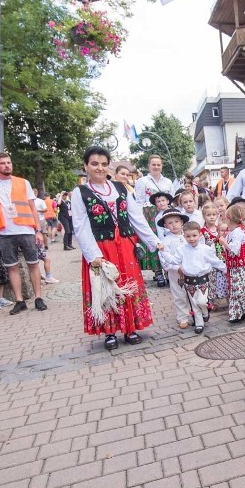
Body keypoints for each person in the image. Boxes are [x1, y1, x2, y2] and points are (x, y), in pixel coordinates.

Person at [72, 146, 162, 350]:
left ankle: (130, 328)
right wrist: (92, 255)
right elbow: (80, 225)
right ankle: (110, 332)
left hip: (125, 245)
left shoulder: (120, 189)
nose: (99, 168)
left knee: (129, 283)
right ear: (86, 166)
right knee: (105, 286)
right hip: (100, 247)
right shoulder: (80, 192)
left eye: (104, 164)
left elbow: (136, 217)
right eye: (94, 164)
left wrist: (152, 241)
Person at [0, 152, 48, 315]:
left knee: (33, 263)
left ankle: (38, 298)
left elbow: (33, 208)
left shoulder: (23, 183)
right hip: (4, 231)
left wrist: (38, 231)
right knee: (12, 267)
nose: (7, 166)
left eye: (9, 163)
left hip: (25, 229)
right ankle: (20, 301)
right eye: (3, 163)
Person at [164, 221, 227, 334]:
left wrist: (226, 269)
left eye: (194, 235)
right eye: (188, 236)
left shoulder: (205, 249)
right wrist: (163, 252)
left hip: (203, 279)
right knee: (194, 303)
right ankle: (199, 323)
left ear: (200, 235)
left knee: (201, 301)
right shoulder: (181, 249)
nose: (191, 239)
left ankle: (205, 312)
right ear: (184, 236)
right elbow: (174, 260)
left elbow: (215, 261)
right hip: (189, 280)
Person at [134, 155, 172, 287]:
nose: (156, 167)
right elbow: (138, 201)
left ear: (162, 166)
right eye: (153, 164)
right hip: (149, 214)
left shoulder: (167, 181)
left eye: (159, 165)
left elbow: (171, 199)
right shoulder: (142, 181)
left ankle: (168, 270)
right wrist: (139, 219)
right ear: (149, 166)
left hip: (165, 214)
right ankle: (158, 272)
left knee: (167, 240)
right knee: (154, 242)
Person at [220, 203, 245, 324]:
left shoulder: (238, 232)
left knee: (241, 289)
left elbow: (235, 250)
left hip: (241, 267)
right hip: (236, 267)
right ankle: (239, 312)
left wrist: (224, 243)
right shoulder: (234, 231)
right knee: (236, 289)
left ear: (229, 218)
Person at [158, 208, 191, 329]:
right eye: (170, 223)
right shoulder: (166, 241)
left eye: (176, 221)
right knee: (179, 294)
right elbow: (164, 258)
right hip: (176, 273)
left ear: (182, 222)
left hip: (191, 271)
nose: (174, 225)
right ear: (166, 225)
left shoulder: (188, 236)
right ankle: (182, 317)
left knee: (194, 293)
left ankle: (197, 313)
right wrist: (176, 267)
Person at [200, 202, 228, 309]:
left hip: (222, 258)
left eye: (213, 215)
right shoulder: (202, 231)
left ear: (217, 216)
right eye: (208, 215)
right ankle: (212, 301)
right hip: (210, 260)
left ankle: (227, 298)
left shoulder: (220, 228)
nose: (211, 217)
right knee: (212, 281)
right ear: (204, 216)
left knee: (224, 279)